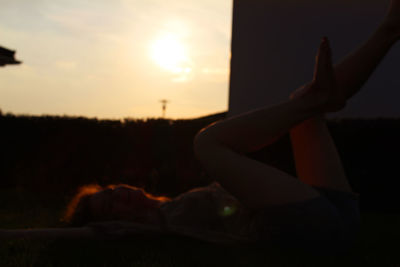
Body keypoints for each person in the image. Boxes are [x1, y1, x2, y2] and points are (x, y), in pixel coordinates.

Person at [1, 0, 400, 256]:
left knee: (304, 106)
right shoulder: (152, 229)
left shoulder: (176, 203)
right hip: (304, 231)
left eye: (109, 191)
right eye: (111, 204)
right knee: (207, 143)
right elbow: (78, 237)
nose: (118, 192)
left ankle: (389, 28)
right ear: (113, 222)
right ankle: (314, 100)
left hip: (331, 217)